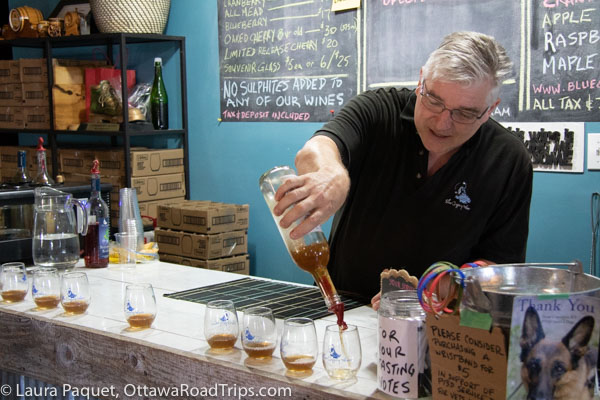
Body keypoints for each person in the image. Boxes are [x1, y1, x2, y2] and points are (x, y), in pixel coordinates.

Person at [272, 31, 533, 308]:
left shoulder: (508, 159)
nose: (443, 123)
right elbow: (318, 148)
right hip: (344, 306)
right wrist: (329, 175)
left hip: (437, 321)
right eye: (433, 100)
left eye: (465, 113)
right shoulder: (378, 109)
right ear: (421, 80)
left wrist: (435, 291)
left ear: (490, 109)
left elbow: (498, 270)